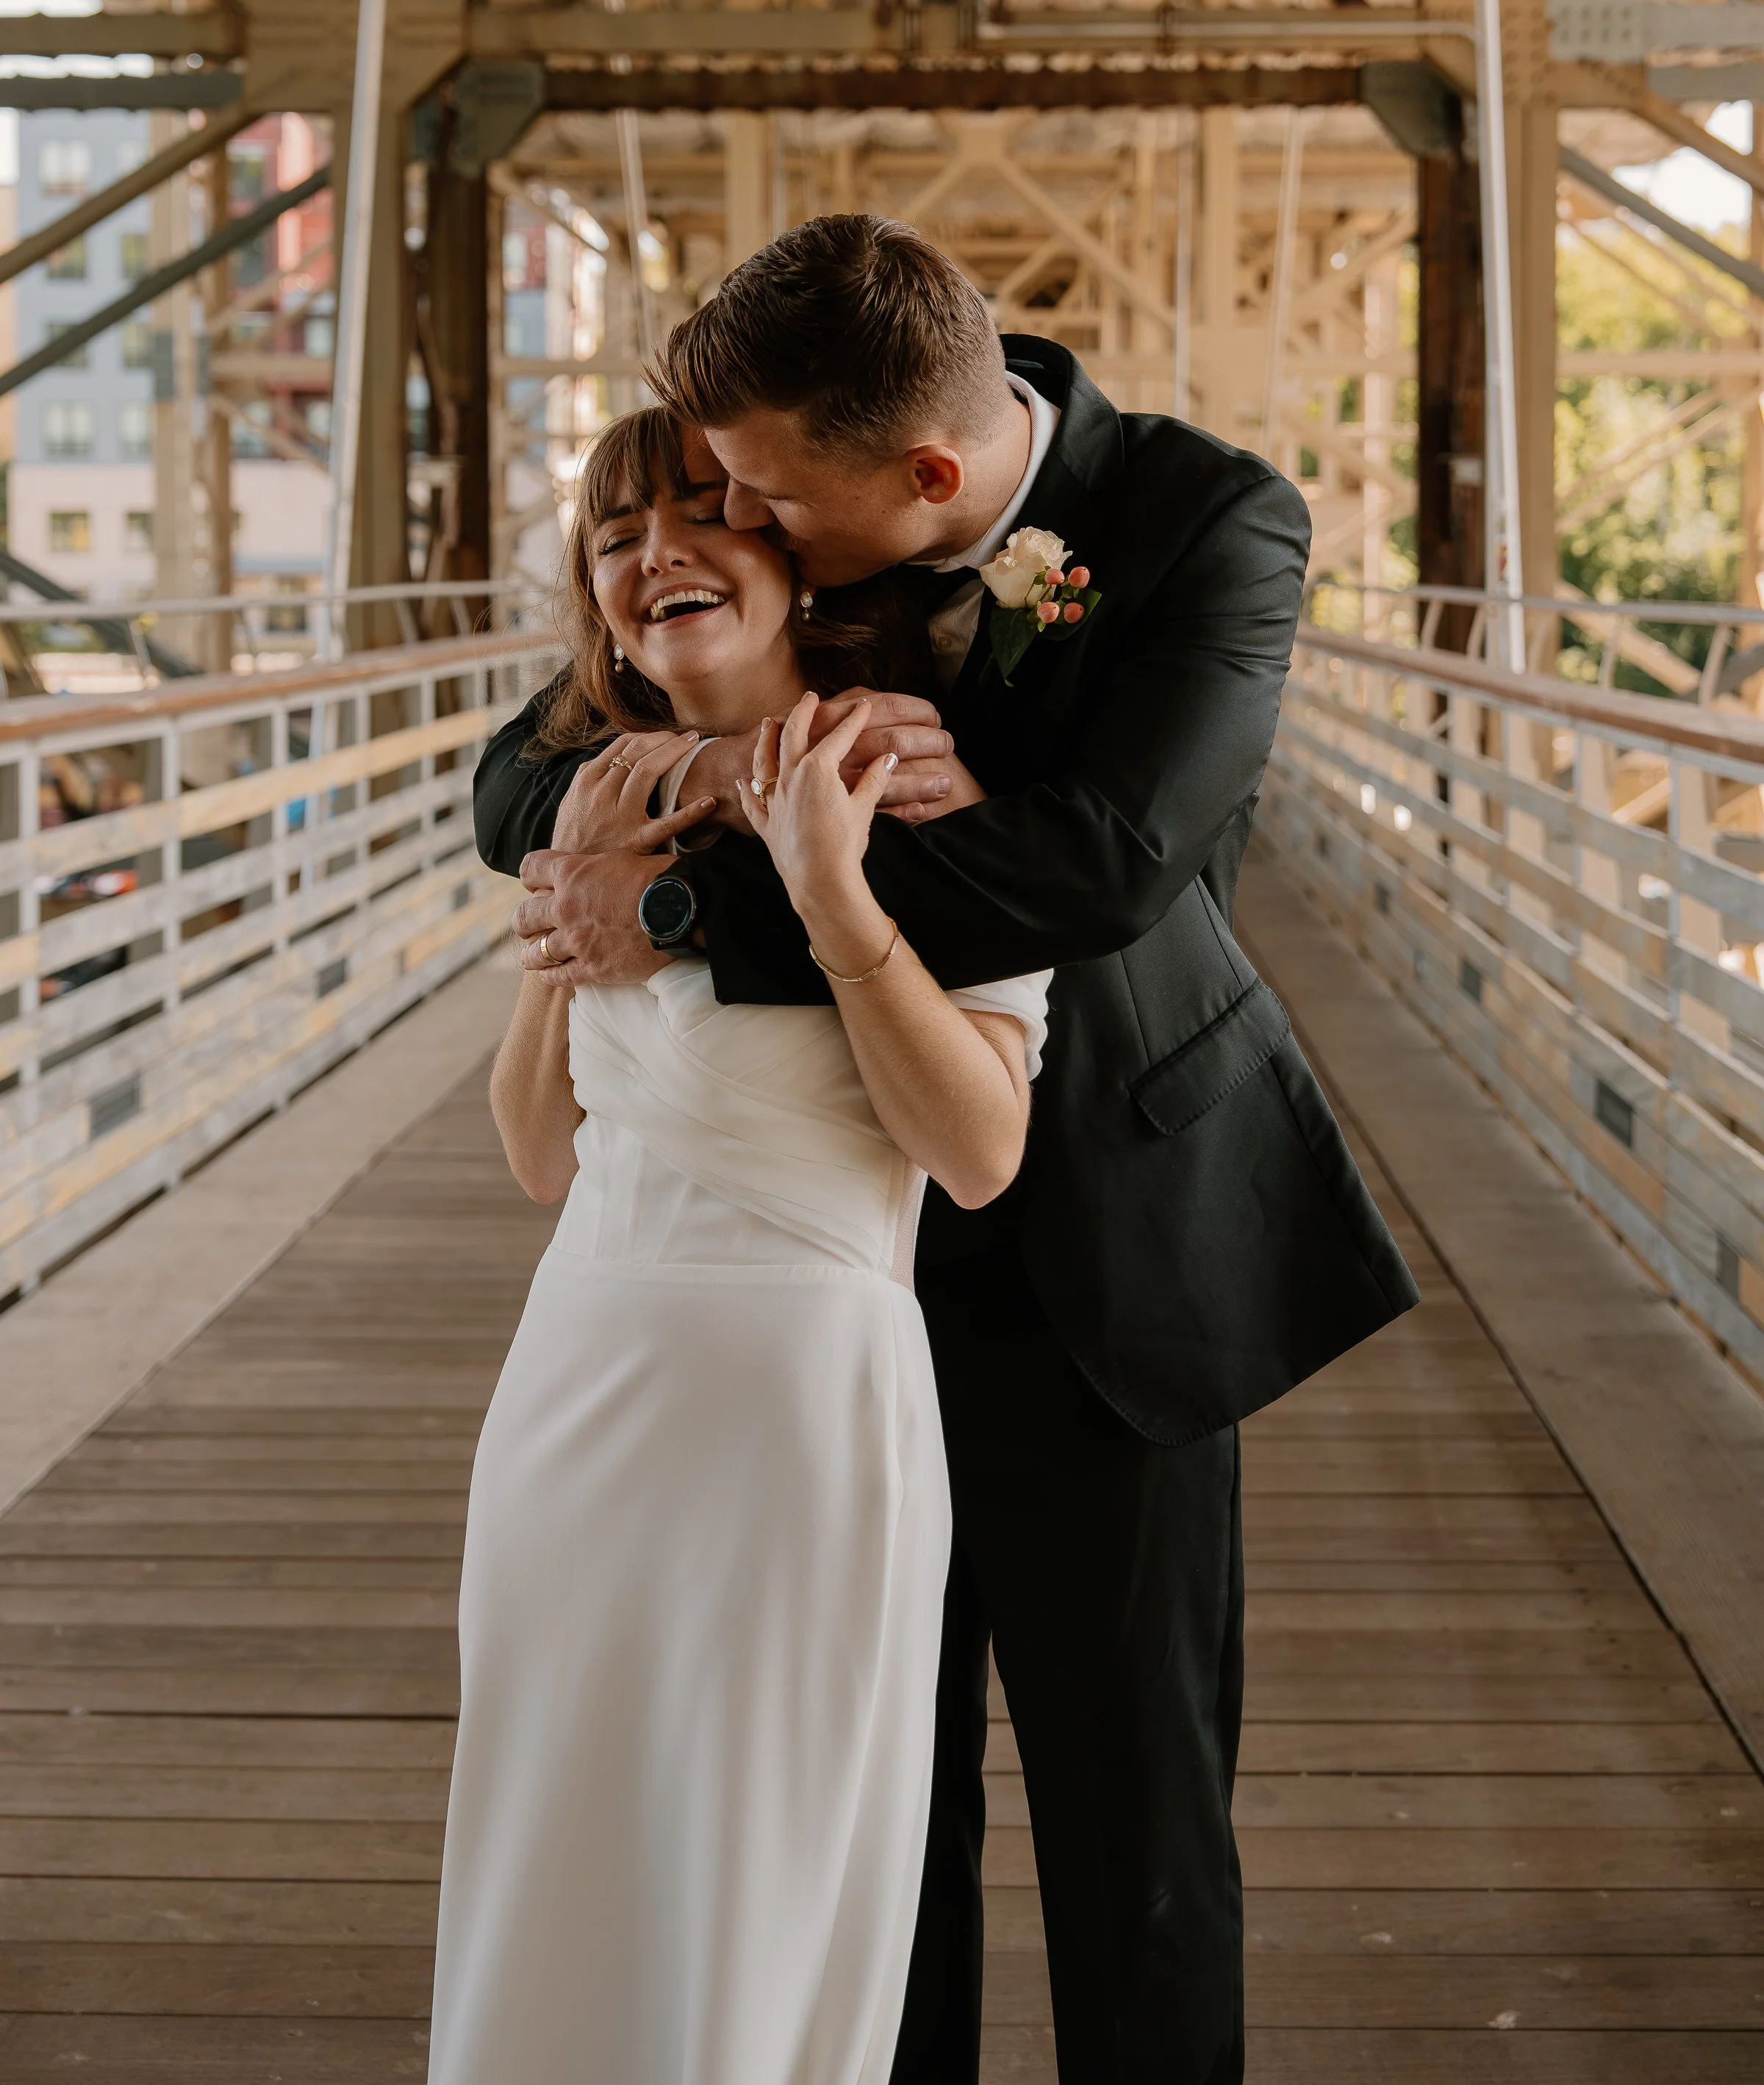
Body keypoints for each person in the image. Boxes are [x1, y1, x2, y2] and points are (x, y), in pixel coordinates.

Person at [476, 216, 1419, 2085]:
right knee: (867, 1808)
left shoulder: (1205, 526)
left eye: (754, 491)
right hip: (822, 1273)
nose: (729, 519)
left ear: (918, 478)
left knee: (1134, 1816)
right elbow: (525, 786)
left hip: (1103, 1240)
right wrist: (689, 802)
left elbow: (1105, 868)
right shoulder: (799, 545)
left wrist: (671, 922)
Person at [429, 403, 1051, 2085]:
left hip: (800, 1399)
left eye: (705, 514)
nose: (654, 558)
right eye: (617, 537)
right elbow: (541, 1153)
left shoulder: (914, 784)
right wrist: (570, 925)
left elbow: (982, 1156)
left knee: (761, 1860)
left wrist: (839, 903)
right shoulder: (592, 790)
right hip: (578, 1383)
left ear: (794, 552)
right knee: (558, 1836)